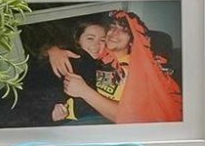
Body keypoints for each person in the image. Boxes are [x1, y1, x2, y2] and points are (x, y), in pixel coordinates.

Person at [53, 10, 182, 125]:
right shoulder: (95, 53)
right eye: (112, 26)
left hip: (104, 122)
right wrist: (53, 51)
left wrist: (85, 91)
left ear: (132, 41)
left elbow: (131, 116)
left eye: (124, 30)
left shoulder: (139, 70)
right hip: (68, 118)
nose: (115, 33)